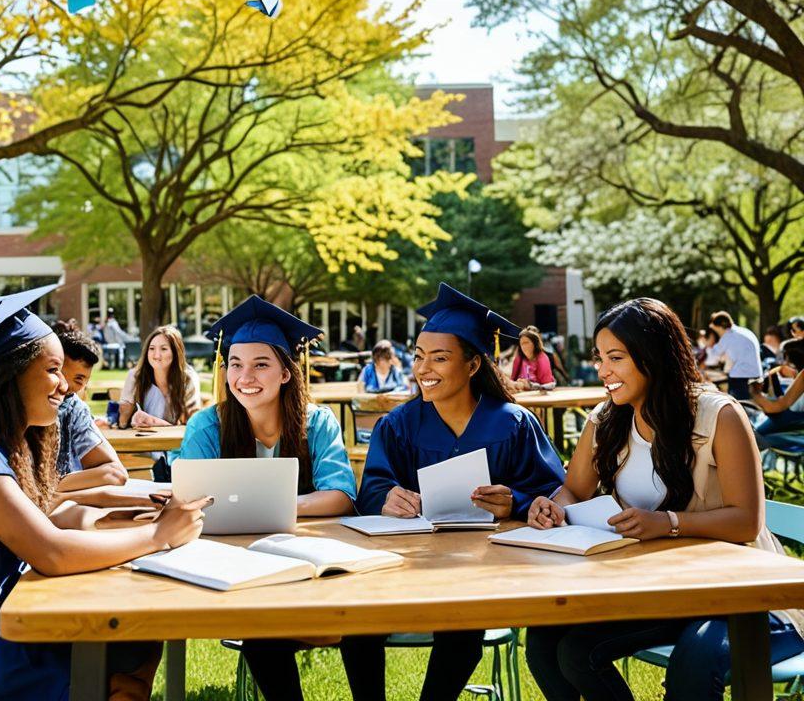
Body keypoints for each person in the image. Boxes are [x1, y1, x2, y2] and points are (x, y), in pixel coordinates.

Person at [0, 288, 209, 701]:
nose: (65, 386)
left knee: (138, 642)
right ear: (7, 374)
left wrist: (126, 518)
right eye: (52, 369)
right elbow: (49, 551)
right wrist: (160, 536)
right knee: (117, 678)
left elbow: (58, 517)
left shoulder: (6, 443)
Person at [524, 297, 804, 701]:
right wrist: (552, 504)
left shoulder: (718, 416)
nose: (603, 371)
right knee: (549, 643)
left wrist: (670, 523)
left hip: (742, 592)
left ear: (652, 355)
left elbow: (747, 521)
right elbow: (573, 489)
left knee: (695, 660)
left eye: (615, 358)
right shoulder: (606, 421)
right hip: (663, 588)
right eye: (600, 357)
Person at [356, 283, 566, 701]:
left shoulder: (514, 424)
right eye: (418, 356)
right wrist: (386, 496)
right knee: (359, 628)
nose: (423, 368)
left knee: (461, 626)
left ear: (472, 366)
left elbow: (554, 495)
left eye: (440, 357)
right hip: (406, 568)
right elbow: (373, 486)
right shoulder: (398, 425)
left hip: (483, 573)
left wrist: (518, 503)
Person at [176, 295, 368, 701]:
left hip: (312, 557)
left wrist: (273, 506)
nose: (246, 376)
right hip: (236, 566)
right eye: (236, 364)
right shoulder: (207, 425)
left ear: (285, 372)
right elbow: (189, 500)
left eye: (261, 364)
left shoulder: (316, 422)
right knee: (263, 634)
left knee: (361, 622)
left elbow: (340, 496)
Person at [52, 324, 129, 496]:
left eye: (81, 380)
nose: (66, 386)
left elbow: (115, 473)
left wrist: (49, 487)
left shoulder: (74, 409)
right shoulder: (16, 408)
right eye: (59, 374)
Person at [117, 325, 200, 481]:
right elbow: (122, 423)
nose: (156, 355)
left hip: (177, 449)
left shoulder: (187, 379)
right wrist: (128, 414)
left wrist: (155, 422)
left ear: (176, 352)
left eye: (163, 349)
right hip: (143, 449)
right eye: (152, 349)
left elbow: (192, 424)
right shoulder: (136, 376)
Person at [750, 337, 804, 446]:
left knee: (750, 435)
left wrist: (754, 392)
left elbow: (775, 408)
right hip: (794, 422)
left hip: (791, 423)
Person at [703, 310, 761, 401]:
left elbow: (711, 359)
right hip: (755, 375)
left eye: (716, 330)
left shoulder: (728, 336)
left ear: (720, 327)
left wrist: (707, 345)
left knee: (739, 405)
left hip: (740, 378)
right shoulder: (744, 331)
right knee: (749, 407)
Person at [510, 326, 557, 391]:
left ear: (534, 344)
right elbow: (512, 380)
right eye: (521, 344)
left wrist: (529, 385)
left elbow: (547, 386)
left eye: (526, 343)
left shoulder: (542, 359)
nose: (524, 347)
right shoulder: (519, 359)